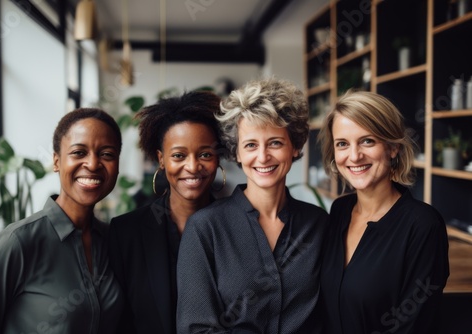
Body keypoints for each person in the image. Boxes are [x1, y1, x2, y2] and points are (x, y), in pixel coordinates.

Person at [176, 77, 329, 333]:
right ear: (236, 153)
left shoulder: (318, 224)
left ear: (295, 146)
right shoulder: (206, 228)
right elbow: (196, 327)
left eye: (275, 143)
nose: (263, 156)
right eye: (250, 145)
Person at [0, 108, 124, 333]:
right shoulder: (16, 243)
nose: (93, 164)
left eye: (107, 154)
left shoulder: (114, 240)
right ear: (56, 161)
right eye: (78, 152)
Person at [317, 90, 449, 333]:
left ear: (392, 148)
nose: (354, 156)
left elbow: (413, 326)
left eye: (367, 141)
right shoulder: (339, 210)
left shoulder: (423, 226)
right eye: (342, 144)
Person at [108, 90, 225, 334]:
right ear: (161, 160)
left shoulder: (238, 228)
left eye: (205, 154)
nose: (192, 167)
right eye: (179, 156)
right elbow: (119, 322)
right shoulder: (127, 233)